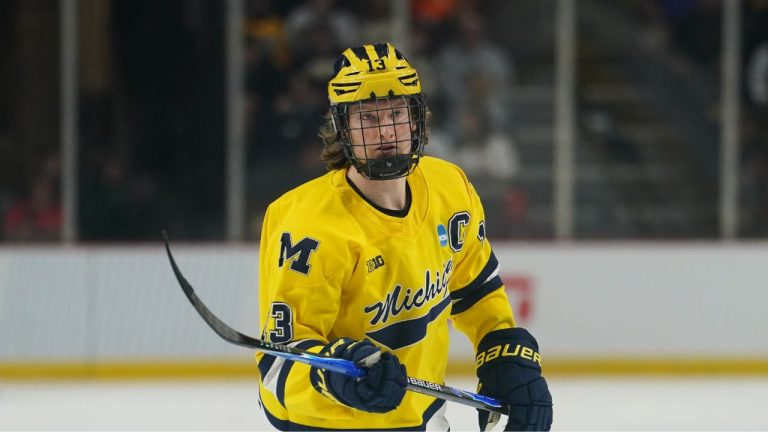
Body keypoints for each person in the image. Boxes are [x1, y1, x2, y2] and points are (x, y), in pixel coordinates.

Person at [256, 42, 552, 431]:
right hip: (326, 425)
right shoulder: (307, 225)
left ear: (417, 118)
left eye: (396, 113)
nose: (386, 132)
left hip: (424, 417)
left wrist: (502, 350)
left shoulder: (450, 187)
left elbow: (476, 289)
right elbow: (278, 368)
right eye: (368, 118)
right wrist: (336, 378)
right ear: (341, 127)